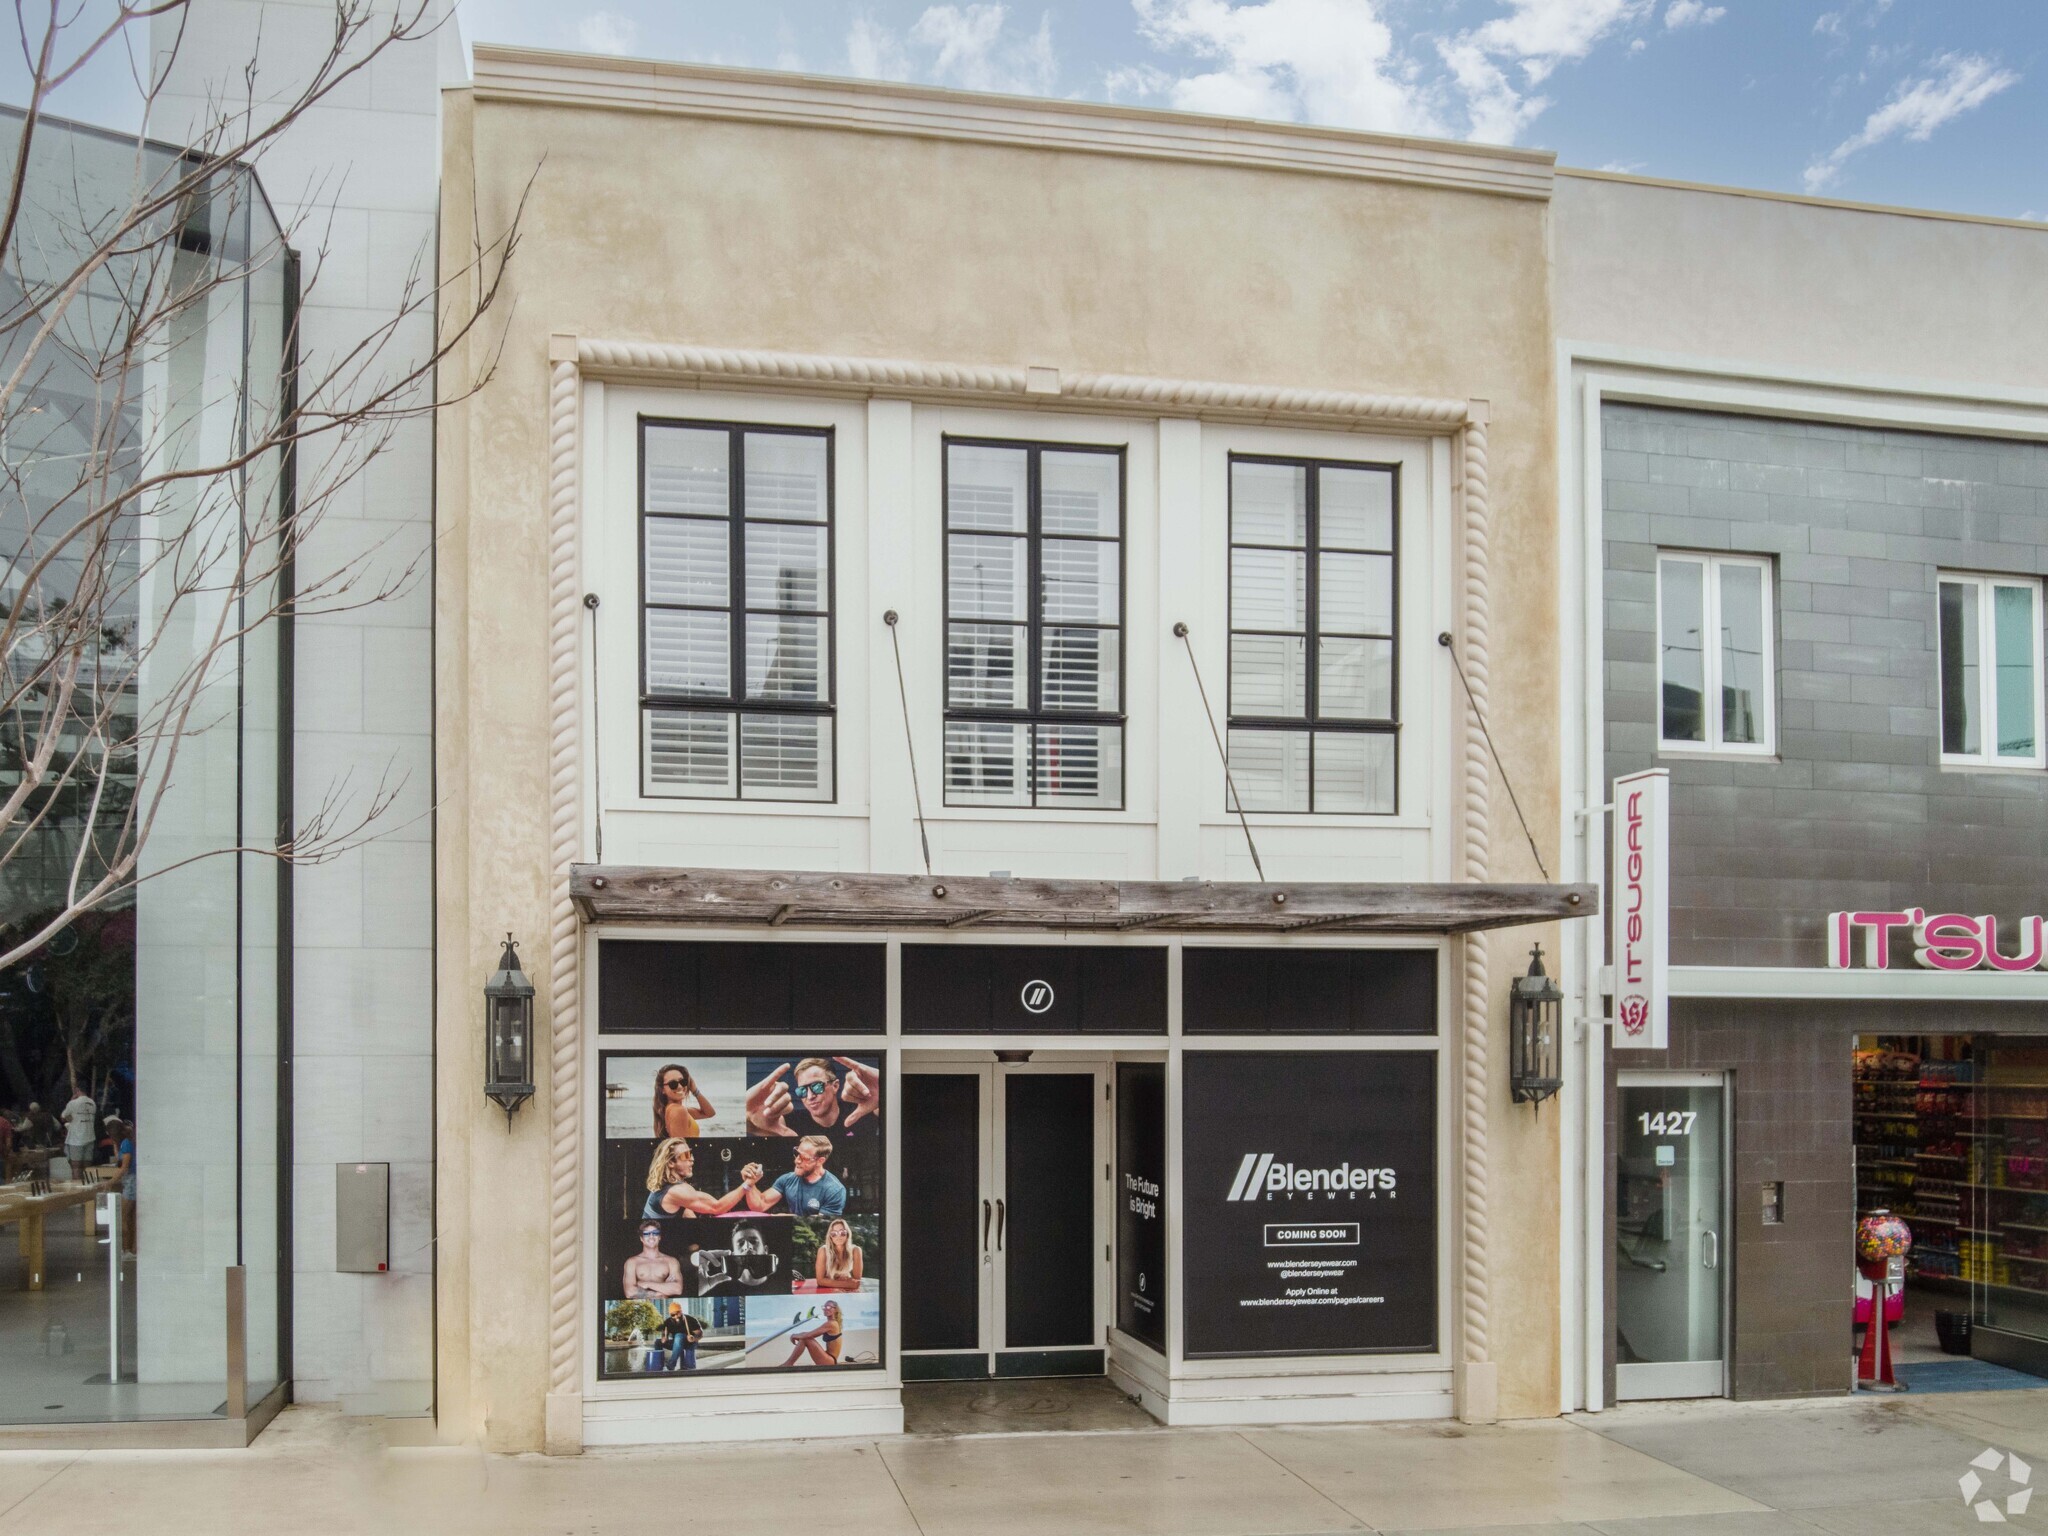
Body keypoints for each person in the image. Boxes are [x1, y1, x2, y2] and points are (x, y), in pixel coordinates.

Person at [745, 1057, 880, 1139]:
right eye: (802, 1090)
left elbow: (893, 1107)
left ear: (835, 1086)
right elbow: (751, 1125)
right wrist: (748, 1114)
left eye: (816, 1087)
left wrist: (884, 1086)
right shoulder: (792, 1123)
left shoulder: (862, 1109)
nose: (810, 1096)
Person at [642, 1138, 758, 1219]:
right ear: (671, 1162)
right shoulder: (675, 1191)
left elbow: (687, 1212)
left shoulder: (670, 1184)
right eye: (686, 1155)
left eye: (690, 1154)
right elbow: (717, 1207)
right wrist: (748, 1183)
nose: (692, 1160)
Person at [742, 1135, 845, 1220]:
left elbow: (822, 1224)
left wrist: (786, 1218)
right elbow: (759, 1205)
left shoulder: (835, 1190)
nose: (797, 1161)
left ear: (820, 1161)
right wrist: (749, 1183)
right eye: (797, 1154)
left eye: (804, 1158)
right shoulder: (787, 1179)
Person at [652, 1063, 715, 1140]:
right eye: (673, 1084)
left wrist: (695, 1091)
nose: (680, 1086)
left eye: (683, 1081)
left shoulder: (674, 1109)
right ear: (662, 1089)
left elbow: (709, 1113)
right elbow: (681, 1147)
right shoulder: (678, 1111)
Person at [622, 1222, 684, 1300]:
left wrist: (646, 1284)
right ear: (641, 1238)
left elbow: (677, 1289)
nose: (651, 1236)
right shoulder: (632, 1262)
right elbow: (629, 1292)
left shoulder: (671, 1261)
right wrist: (660, 1292)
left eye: (655, 1233)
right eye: (647, 1234)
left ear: (659, 1237)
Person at [781, 1299, 844, 1367]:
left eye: (828, 1307)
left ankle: (788, 1363)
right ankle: (789, 1363)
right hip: (828, 1358)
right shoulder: (832, 1323)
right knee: (805, 1337)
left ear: (835, 1309)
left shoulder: (831, 1324)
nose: (825, 1309)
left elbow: (809, 1335)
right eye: (824, 1307)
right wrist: (797, 1335)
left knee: (806, 1338)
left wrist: (794, 1336)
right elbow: (809, 1334)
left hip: (829, 1361)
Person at [813, 1217, 864, 1292]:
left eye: (842, 1233)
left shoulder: (856, 1251)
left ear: (847, 1234)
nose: (838, 1236)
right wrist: (847, 1284)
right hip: (828, 1291)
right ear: (830, 1236)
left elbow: (856, 1281)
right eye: (834, 1233)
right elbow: (820, 1281)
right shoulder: (823, 1251)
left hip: (846, 1291)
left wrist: (831, 1282)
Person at [61, 1085, 96, 1179]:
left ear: (77, 1090)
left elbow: (63, 1117)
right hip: (90, 1137)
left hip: (76, 1139)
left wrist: (71, 1100)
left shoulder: (73, 1103)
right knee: (87, 1166)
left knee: (76, 1167)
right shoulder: (92, 1102)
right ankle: (88, 1187)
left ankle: (77, 1187)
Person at [660, 1302, 703, 1372]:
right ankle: (658, 1365)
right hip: (676, 1344)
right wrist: (664, 1338)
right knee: (657, 1342)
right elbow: (664, 1334)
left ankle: (671, 1365)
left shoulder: (691, 1320)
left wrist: (694, 1338)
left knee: (679, 1336)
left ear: (681, 1311)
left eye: (678, 1313)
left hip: (690, 1342)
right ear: (670, 1314)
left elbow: (700, 1333)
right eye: (673, 1315)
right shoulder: (667, 1322)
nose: (676, 1316)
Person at [114, 1119, 135, 1255]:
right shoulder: (125, 1143)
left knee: (125, 1216)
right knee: (131, 1216)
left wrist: (111, 1181)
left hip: (131, 1181)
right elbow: (120, 1159)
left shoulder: (126, 1143)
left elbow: (124, 1166)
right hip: (130, 1181)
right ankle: (131, 1249)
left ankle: (126, 1248)